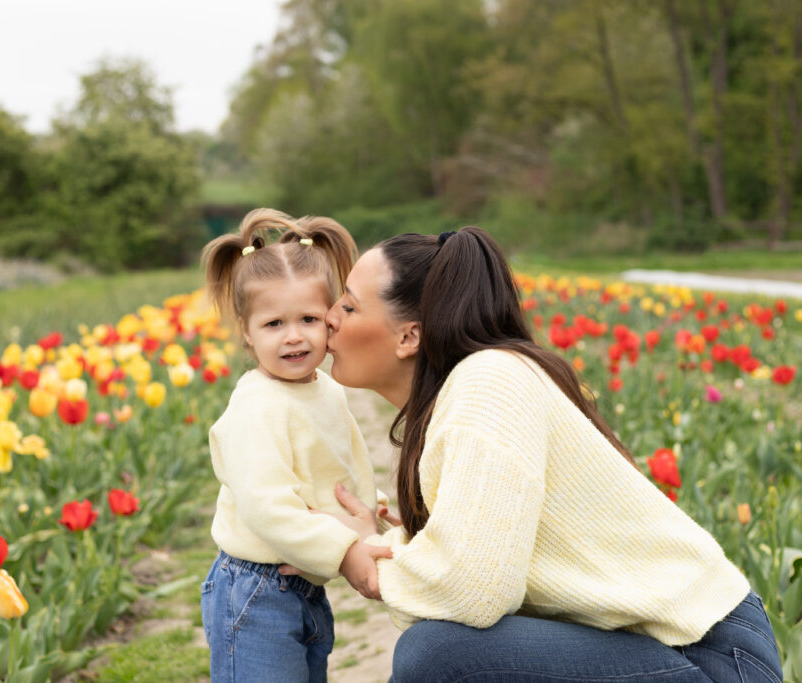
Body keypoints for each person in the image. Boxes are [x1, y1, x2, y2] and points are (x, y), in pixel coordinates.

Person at [283, 227, 783, 682]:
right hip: (656, 651)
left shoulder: (489, 382)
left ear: (409, 336)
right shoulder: (462, 395)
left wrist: (363, 562)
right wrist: (387, 543)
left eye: (349, 307)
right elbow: (482, 565)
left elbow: (473, 591)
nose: (329, 318)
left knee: (437, 655)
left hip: (713, 657)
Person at [199, 208, 392, 682]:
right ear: (246, 332)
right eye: (273, 324)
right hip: (256, 587)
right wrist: (345, 551)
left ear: (330, 320)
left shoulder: (326, 391)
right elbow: (267, 508)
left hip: (303, 579)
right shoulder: (256, 406)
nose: (293, 337)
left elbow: (341, 471)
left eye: (308, 318)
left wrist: (376, 511)